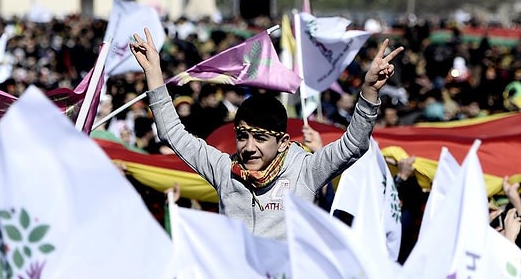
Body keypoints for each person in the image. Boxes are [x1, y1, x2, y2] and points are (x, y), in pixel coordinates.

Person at [130, 27, 403, 240]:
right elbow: (171, 133)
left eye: (260, 138)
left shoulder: (305, 171)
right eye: (242, 136)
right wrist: (153, 72)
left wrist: (369, 93)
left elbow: (354, 145)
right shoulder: (224, 169)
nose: (248, 147)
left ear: (283, 142)